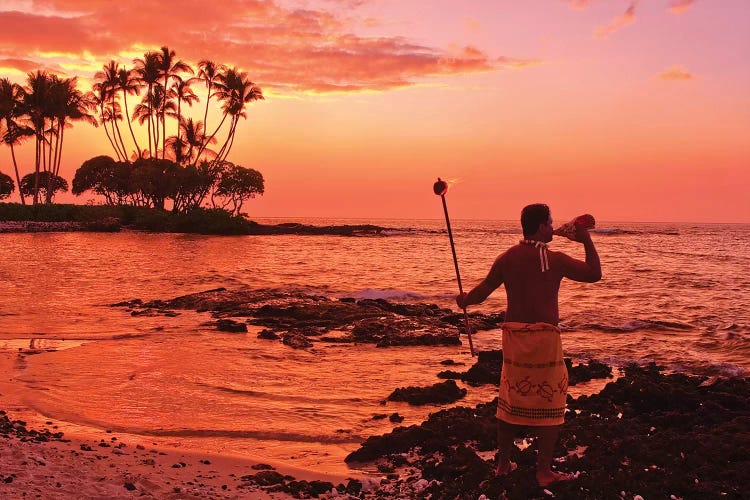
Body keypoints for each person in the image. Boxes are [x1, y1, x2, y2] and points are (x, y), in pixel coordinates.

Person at [456, 203, 601, 487]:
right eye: (550, 223)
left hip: (514, 339)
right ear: (540, 227)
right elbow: (594, 273)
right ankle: (543, 471)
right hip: (545, 339)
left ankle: (502, 465)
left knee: (510, 399)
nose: (553, 227)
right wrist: (586, 240)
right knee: (552, 401)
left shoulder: (507, 258)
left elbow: (483, 291)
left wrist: (464, 300)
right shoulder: (554, 259)